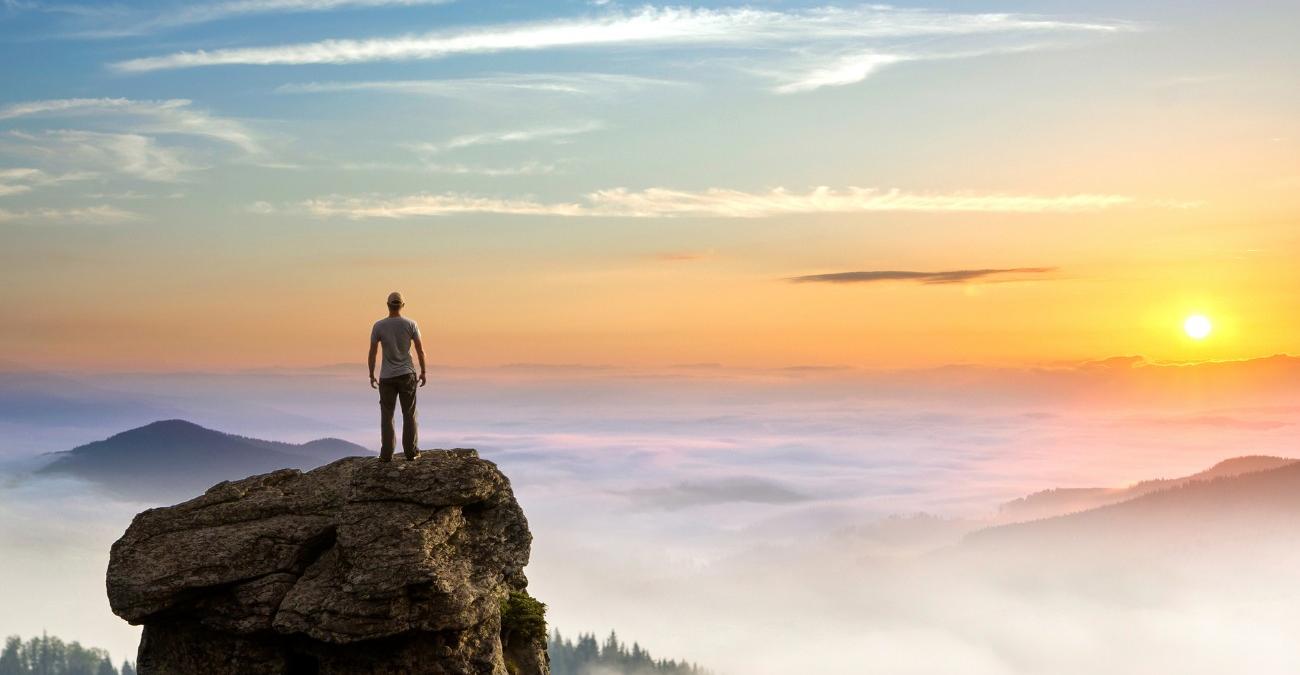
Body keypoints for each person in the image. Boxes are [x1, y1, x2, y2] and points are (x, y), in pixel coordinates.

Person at [368, 291, 427, 461]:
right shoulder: (411, 324)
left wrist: (371, 374)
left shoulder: (378, 326)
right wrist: (423, 371)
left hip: (386, 377)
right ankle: (411, 452)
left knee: (387, 415)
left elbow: (373, 352)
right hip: (407, 374)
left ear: (388, 305)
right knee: (409, 414)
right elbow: (419, 350)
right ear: (402, 305)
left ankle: (386, 454)